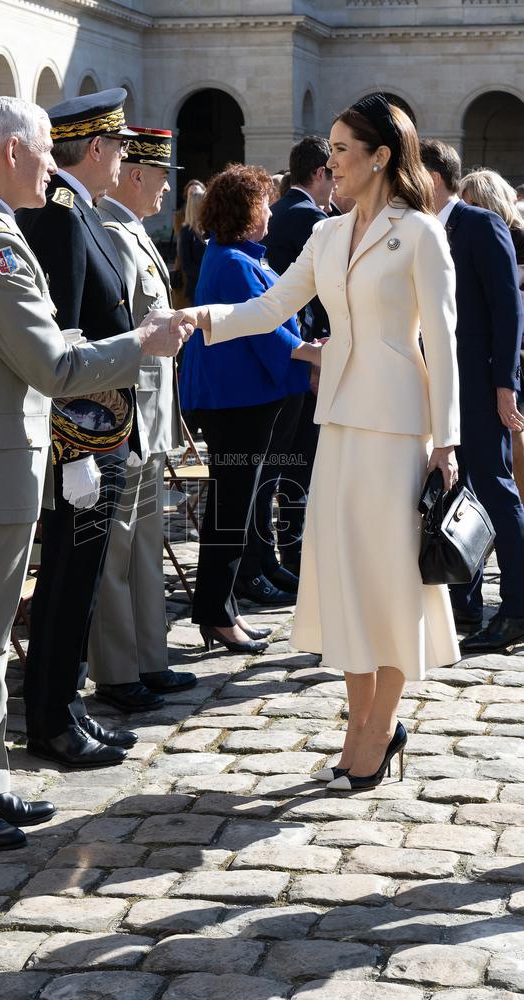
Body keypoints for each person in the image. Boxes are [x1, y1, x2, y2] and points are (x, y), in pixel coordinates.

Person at [0, 96, 185, 851]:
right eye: (47, 151)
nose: (54, 165)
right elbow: (51, 367)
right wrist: (142, 343)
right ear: (13, 152)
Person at [174, 95, 461, 791]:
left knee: (391, 581)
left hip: (399, 428)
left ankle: (377, 724)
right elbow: (272, 307)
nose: (329, 163)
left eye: (340, 150)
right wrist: (195, 318)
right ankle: (361, 721)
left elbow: (445, 341)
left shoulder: (419, 233)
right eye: (329, 151)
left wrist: (446, 443)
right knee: (348, 580)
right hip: (338, 423)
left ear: (380, 156)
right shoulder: (328, 236)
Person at [16, 89, 152, 766]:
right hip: (87, 438)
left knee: (84, 577)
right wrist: (77, 452)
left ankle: (67, 705)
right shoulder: (63, 218)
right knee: (71, 578)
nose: (125, 157)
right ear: (95, 148)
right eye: (121, 146)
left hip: (104, 430)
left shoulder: (82, 213)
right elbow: (64, 338)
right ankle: (52, 718)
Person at [178, 164, 310, 655]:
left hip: (245, 396)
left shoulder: (239, 255)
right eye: (264, 204)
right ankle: (217, 611)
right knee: (231, 508)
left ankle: (221, 609)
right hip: (238, 399)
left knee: (234, 504)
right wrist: (306, 354)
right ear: (245, 211)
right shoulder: (232, 260)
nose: (271, 212)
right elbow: (262, 328)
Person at [90, 127, 195, 711]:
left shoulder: (133, 230)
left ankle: (151, 659)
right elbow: (119, 335)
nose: (166, 188)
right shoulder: (111, 231)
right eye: (160, 176)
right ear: (135, 175)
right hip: (125, 416)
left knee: (146, 544)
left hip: (152, 418)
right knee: (117, 550)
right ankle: (118, 669)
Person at [420, 142, 524, 653]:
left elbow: (509, 310)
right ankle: (464, 597)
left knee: (494, 487)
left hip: (481, 386)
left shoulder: (481, 225)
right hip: (437, 382)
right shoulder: (421, 229)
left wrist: (506, 385)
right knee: (454, 489)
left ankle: (518, 606)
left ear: (435, 178)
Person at [235, 136, 334, 603]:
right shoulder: (314, 221)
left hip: (289, 357)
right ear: (320, 174)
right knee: (287, 465)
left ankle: (274, 557)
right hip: (293, 359)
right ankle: (281, 554)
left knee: (281, 467)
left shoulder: (300, 217)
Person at [458, 168, 524, 504]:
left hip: (508, 357)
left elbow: (507, 308)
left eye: (468, 202)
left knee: (510, 452)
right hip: (496, 355)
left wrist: (505, 382)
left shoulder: (503, 235)